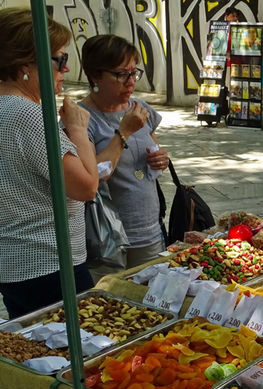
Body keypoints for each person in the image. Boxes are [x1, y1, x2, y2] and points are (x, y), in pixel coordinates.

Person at [0, 8, 96, 389]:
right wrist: (76, 129)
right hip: (48, 259)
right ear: (25, 63)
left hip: (15, 259)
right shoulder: (24, 114)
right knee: (65, 366)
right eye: (59, 60)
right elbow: (85, 186)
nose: (65, 71)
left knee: (36, 360)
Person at [79, 34, 170, 281]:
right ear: (95, 76)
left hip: (150, 231)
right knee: (113, 312)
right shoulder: (81, 119)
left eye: (134, 72)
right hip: (108, 241)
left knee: (153, 302)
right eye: (121, 74)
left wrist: (161, 159)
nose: (131, 82)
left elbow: (153, 149)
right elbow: (95, 175)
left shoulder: (140, 109)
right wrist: (125, 131)